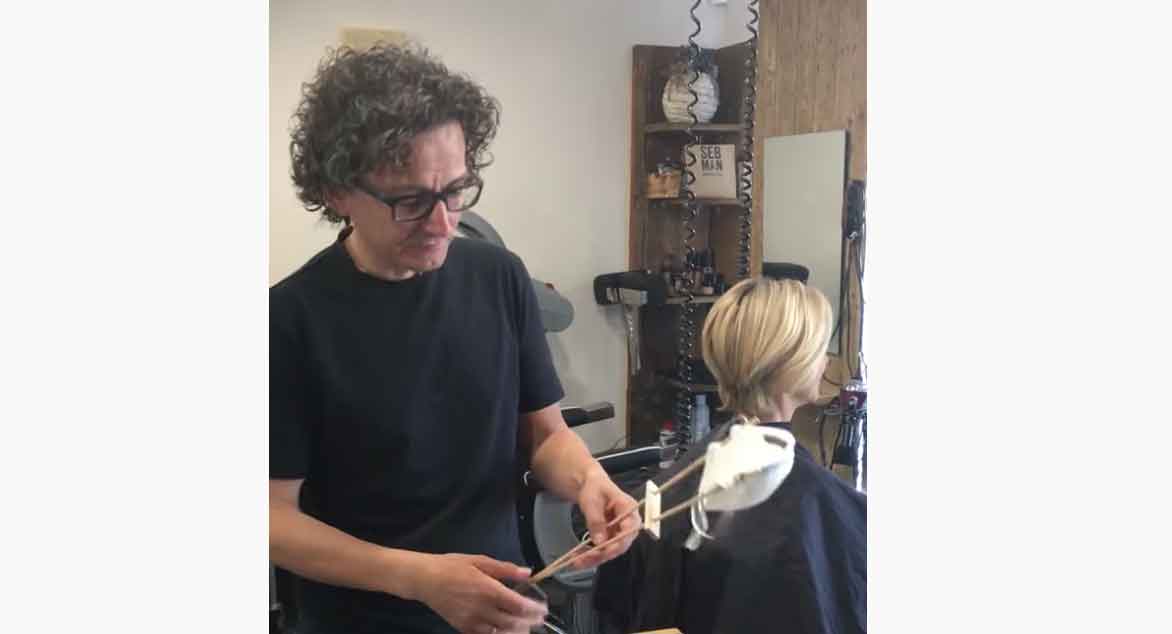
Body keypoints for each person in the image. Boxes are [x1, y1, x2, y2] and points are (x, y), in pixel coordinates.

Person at [269, 44, 640, 634]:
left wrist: (590, 482)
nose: (444, 223)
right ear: (338, 192)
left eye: (456, 190)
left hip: (499, 613)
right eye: (412, 201)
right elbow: (273, 520)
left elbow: (545, 436)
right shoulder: (288, 319)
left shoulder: (500, 278)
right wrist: (418, 578)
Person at [594, 277, 867, 633]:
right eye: (819, 351)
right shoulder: (830, 505)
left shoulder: (671, 487)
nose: (825, 363)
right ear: (792, 362)